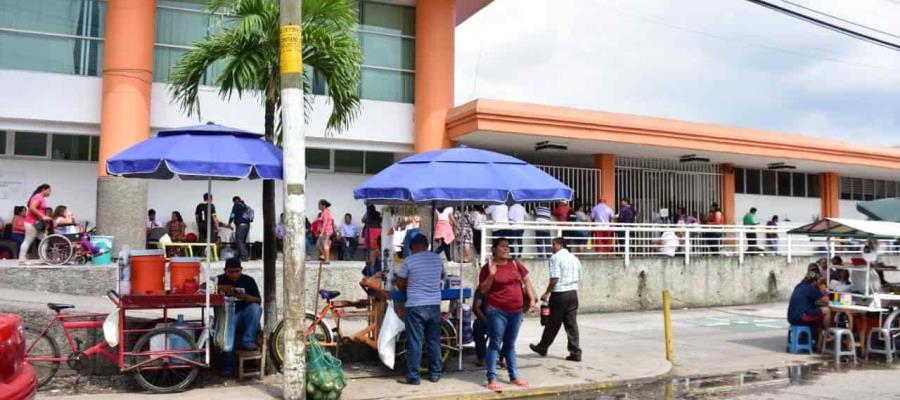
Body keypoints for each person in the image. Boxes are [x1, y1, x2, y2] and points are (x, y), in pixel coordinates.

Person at [479, 237, 536, 392]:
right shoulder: (487, 267)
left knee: (510, 344)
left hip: (516, 311)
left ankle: (513, 377)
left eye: (507, 247)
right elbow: (483, 290)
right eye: (502, 246)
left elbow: (527, 281)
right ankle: (491, 378)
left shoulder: (515, 264)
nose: (506, 249)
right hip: (497, 311)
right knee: (495, 343)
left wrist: (531, 299)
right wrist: (491, 275)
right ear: (494, 249)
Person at [394, 234, 445, 385]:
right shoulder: (437, 259)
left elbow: (400, 285)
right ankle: (435, 374)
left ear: (413, 246)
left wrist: (409, 282)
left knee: (415, 342)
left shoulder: (409, 261)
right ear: (427, 245)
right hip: (434, 305)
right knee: (434, 341)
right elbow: (441, 277)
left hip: (415, 305)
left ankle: (414, 377)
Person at [530, 237, 582, 362]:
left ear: (560, 245)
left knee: (553, 323)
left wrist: (546, 293)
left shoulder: (555, 258)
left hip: (560, 294)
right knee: (571, 324)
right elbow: (580, 276)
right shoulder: (574, 258)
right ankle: (575, 352)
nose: (551, 247)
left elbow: (555, 278)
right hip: (573, 293)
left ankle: (542, 347)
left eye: (553, 244)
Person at [216, 258, 262, 376]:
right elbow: (203, 288)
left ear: (241, 270)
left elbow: (258, 300)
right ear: (225, 271)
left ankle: (248, 340)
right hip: (226, 317)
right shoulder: (219, 280)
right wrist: (220, 288)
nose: (234, 274)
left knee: (255, 308)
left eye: (237, 271)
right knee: (228, 328)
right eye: (230, 272)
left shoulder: (248, 281)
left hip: (242, 316)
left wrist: (245, 297)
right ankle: (228, 367)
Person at [786, 266, 832, 346]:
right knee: (827, 310)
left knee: (817, 312)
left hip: (791, 317)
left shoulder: (799, 286)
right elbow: (826, 300)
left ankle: (812, 340)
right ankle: (827, 334)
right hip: (801, 317)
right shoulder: (811, 288)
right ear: (814, 281)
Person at [19, 184, 52, 264]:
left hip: (38, 224)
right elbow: (32, 207)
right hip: (31, 223)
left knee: (45, 240)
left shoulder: (42, 198)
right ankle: (22, 259)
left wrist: (44, 219)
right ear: (43, 189)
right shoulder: (38, 197)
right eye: (49, 190)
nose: (50, 193)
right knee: (28, 241)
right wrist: (43, 216)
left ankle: (43, 259)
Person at [228, 196, 252, 261]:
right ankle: (239, 256)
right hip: (247, 225)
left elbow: (233, 214)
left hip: (241, 226)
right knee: (242, 241)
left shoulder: (236, 204)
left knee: (239, 241)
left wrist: (229, 222)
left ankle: (244, 257)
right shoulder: (245, 206)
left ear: (235, 200)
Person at [315, 200, 335, 264]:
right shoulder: (323, 212)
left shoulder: (326, 212)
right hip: (324, 231)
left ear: (323, 205)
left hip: (326, 231)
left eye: (319, 205)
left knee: (325, 244)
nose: (318, 206)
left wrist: (322, 232)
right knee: (318, 244)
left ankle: (327, 260)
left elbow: (325, 223)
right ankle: (325, 256)